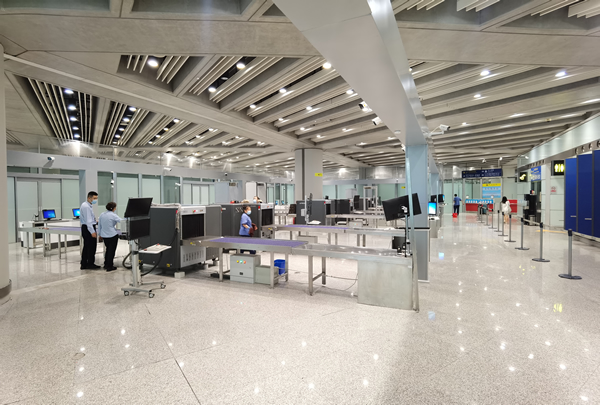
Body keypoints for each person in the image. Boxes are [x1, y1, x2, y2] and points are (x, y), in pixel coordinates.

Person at [98, 202, 121, 272]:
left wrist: (100, 234)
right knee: (111, 251)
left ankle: (106, 264)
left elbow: (99, 225)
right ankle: (110, 266)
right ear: (113, 208)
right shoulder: (113, 215)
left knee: (108, 250)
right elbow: (121, 221)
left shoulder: (102, 214)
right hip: (112, 235)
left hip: (104, 236)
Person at [80, 191, 100, 270]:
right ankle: (90, 263)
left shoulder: (86, 205)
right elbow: (88, 221)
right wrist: (92, 232)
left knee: (87, 246)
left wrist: (95, 221)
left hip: (87, 227)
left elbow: (89, 219)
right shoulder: (86, 207)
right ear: (89, 198)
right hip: (88, 228)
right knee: (91, 247)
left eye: (96, 198)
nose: (95, 200)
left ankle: (84, 263)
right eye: (94, 198)